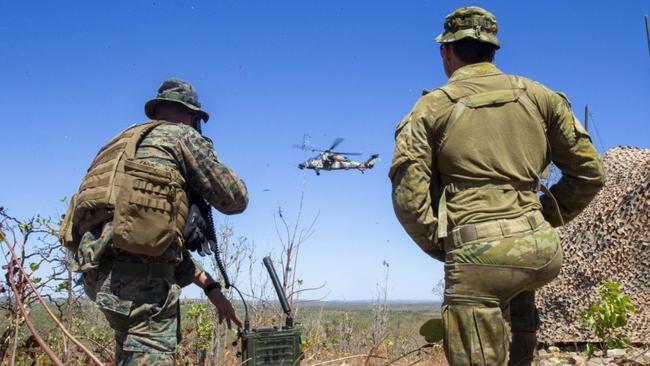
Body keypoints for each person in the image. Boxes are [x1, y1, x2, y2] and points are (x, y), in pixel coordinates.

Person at [389, 7, 605, 366]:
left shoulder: (431, 108)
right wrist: (542, 218)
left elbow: (409, 198)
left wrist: (444, 244)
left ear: (446, 51)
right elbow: (590, 173)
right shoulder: (539, 97)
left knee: (485, 273)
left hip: (478, 254)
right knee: (510, 276)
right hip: (541, 251)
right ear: (493, 50)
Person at [64, 78, 248, 365]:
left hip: (100, 277)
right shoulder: (182, 136)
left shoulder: (120, 143)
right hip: (141, 285)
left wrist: (210, 287)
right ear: (192, 115)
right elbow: (235, 199)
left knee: (132, 355)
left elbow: (144, 237)